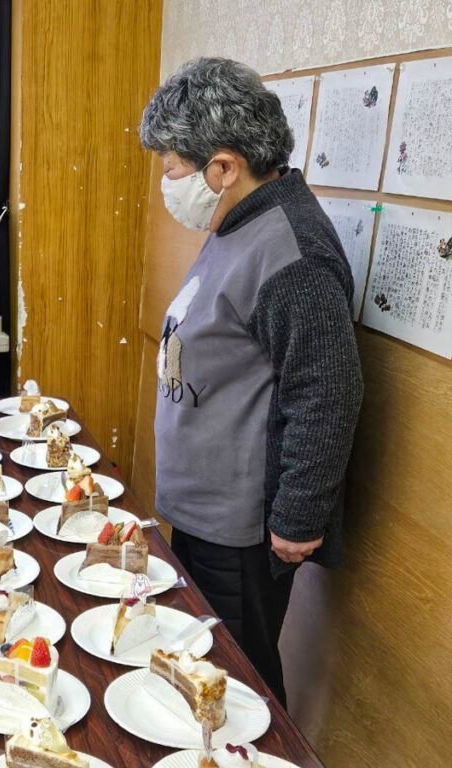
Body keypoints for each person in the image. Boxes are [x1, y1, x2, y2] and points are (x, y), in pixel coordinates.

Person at [138, 58, 363, 705]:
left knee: (239, 689)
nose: (167, 179)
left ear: (225, 167)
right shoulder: (235, 222)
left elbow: (327, 389)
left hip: (241, 528)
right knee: (203, 677)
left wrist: (297, 516)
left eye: (174, 164)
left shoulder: (290, 248)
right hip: (204, 513)